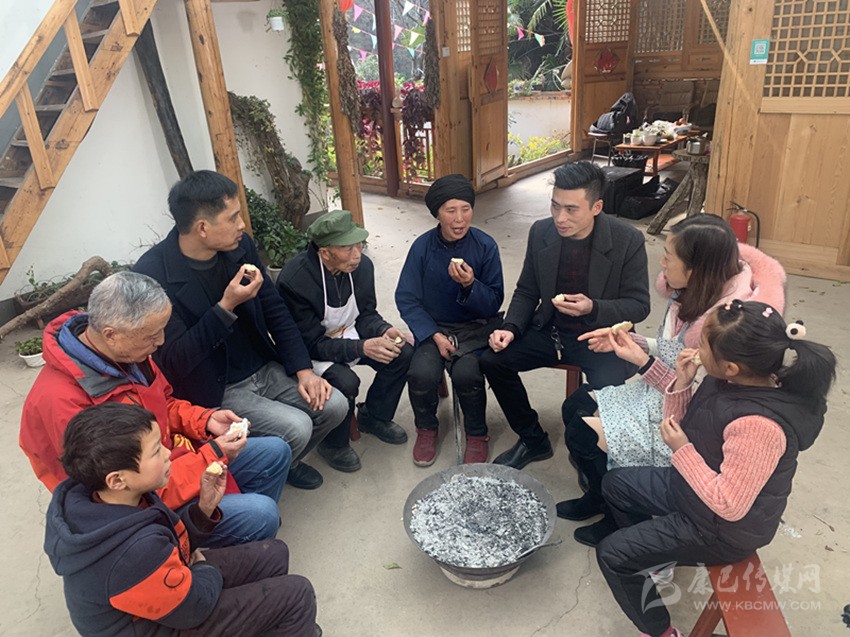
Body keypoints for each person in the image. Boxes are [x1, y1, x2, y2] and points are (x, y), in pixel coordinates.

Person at [596, 300, 836, 637]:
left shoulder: (759, 427)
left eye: (703, 345)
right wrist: (680, 383)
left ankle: (662, 632)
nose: (695, 349)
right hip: (693, 491)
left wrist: (682, 451)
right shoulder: (739, 379)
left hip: (719, 529)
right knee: (615, 484)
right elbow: (698, 418)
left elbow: (728, 503)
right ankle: (657, 563)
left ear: (731, 367)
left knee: (612, 554)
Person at [559, 214, 786, 546]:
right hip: (660, 391)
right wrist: (633, 342)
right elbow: (675, 349)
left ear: (694, 269)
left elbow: (693, 396)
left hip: (683, 418)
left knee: (582, 434)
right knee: (575, 405)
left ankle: (619, 513)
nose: (662, 263)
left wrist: (642, 362)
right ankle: (597, 494)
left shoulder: (725, 329)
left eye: (669, 256)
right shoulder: (693, 293)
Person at [19, 272, 289, 548]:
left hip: (166, 458)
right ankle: (200, 548)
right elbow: (127, 490)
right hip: (138, 504)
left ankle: (233, 533)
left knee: (275, 452)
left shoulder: (129, 353)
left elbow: (164, 402)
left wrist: (204, 420)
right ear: (111, 335)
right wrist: (212, 455)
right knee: (262, 514)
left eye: (162, 330)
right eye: (152, 336)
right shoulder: (63, 402)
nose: (160, 342)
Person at [134, 170, 348, 491]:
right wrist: (225, 307)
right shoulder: (153, 274)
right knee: (298, 427)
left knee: (335, 406)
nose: (242, 226)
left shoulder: (240, 247)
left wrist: (304, 371)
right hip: (217, 386)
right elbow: (175, 359)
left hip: (263, 365)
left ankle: (284, 461)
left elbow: (275, 310)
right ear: (202, 228)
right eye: (233, 218)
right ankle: (262, 468)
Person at [45, 402, 319, 637]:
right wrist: (201, 568)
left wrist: (204, 509)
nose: (168, 454)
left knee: (274, 553)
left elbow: (169, 542)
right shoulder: (131, 552)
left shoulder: (111, 497)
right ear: (117, 480)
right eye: (156, 451)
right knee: (298, 595)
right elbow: (193, 608)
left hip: (163, 593)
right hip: (160, 624)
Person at [480, 161, 650, 470]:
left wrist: (593, 307)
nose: (560, 218)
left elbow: (639, 305)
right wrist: (511, 327)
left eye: (571, 209)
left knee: (607, 396)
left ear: (597, 207)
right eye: (555, 206)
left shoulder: (627, 240)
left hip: (600, 337)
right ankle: (533, 439)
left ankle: (591, 456)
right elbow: (527, 290)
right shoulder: (541, 231)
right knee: (493, 360)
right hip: (552, 330)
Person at [278, 210, 411, 472]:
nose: (357, 254)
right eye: (348, 248)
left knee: (402, 353)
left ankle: (374, 415)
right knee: (346, 381)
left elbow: (366, 314)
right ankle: (333, 443)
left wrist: (383, 330)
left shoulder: (362, 267)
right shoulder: (295, 281)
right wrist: (361, 348)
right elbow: (310, 344)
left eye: (358, 244)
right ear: (325, 252)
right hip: (312, 352)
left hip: (349, 332)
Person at [395, 174, 504, 465]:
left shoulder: (485, 246)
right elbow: (406, 298)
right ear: (437, 214)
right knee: (421, 374)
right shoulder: (422, 247)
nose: (459, 219)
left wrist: (470, 285)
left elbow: (494, 301)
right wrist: (433, 334)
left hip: (473, 329)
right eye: (450, 210)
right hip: (433, 328)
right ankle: (426, 429)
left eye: (465, 209)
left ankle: (477, 434)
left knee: (467, 374)